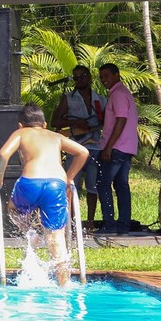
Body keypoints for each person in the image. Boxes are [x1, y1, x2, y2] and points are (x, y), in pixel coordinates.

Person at [0, 103, 90, 286]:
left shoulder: (21, 133)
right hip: (56, 185)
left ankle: (29, 233)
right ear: (44, 124)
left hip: (30, 182)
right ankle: (63, 286)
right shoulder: (55, 136)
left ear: (20, 125)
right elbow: (83, 152)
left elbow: (3, 154)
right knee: (56, 238)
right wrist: (69, 178)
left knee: (13, 209)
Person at [51, 65, 107, 228]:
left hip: (95, 147)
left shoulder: (100, 100)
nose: (80, 79)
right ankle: (71, 222)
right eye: (76, 77)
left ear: (89, 77)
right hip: (75, 147)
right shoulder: (68, 98)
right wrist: (76, 122)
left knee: (93, 187)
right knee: (70, 184)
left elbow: (106, 122)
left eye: (83, 76)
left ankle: (90, 222)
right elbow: (55, 122)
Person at [96, 62, 139, 236]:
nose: (103, 80)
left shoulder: (118, 94)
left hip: (117, 147)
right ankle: (123, 225)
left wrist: (108, 147)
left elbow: (121, 120)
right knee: (121, 185)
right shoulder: (122, 93)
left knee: (103, 184)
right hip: (125, 146)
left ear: (117, 75)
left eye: (107, 76)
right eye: (101, 77)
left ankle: (109, 224)